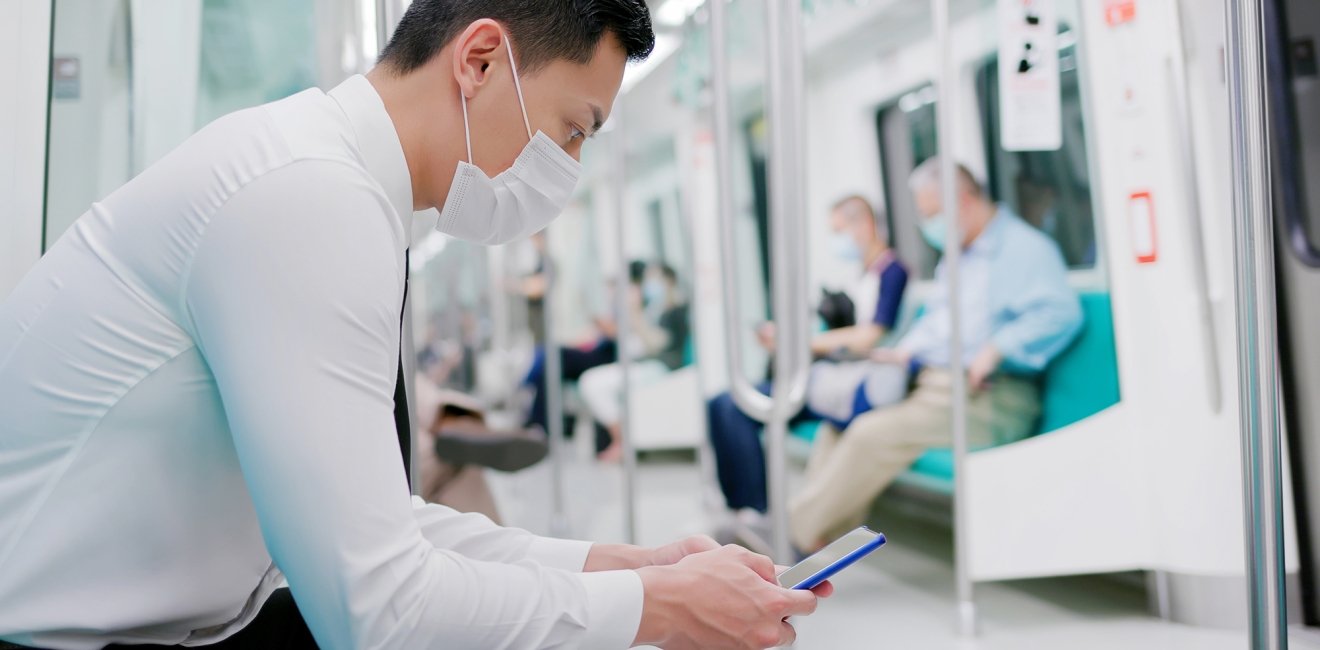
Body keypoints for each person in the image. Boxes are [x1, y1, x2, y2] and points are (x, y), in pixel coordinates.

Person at [0, 2, 828, 649]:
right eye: (572, 130)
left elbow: (379, 523)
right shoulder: (307, 200)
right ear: (479, 60)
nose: (566, 168)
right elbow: (382, 612)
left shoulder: (329, 179)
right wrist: (656, 609)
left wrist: (624, 569)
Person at [787, 158, 1084, 552]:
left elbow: (1061, 313)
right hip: (931, 385)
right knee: (836, 424)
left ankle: (791, 536)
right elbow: (938, 322)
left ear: (961, 201)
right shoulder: (958, 257)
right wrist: (905, 351)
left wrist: (999, 348)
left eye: (931, 214)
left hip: (989, 395)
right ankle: (825, 540)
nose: (929, 227)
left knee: (869, 434)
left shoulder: (1023, 249)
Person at [707, 195, 909, 552]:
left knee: (732, 406)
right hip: (832, 377)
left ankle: (757, 514)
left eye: (839, 231)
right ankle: (744, 512)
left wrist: (801, 342)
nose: (837, 241)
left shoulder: (892, 272)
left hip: (849, 385)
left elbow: (868, 336)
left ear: (864, 225)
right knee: (722, 404)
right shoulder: (859, 277)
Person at [579, 261, 692, 461]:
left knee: (593, 384)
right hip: (645, 364)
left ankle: (621, 441)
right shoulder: (654, 309)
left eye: (656, 279)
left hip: (662, 368)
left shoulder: (676, 311)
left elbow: (658, 344)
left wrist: (636, 314)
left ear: (670, 282)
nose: (650, 284)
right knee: (593, 381)